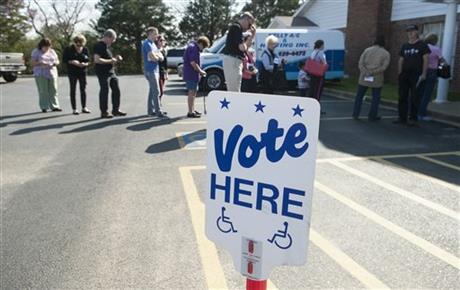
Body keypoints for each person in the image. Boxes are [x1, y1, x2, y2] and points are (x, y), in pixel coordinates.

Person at [394, 24, 430, 126]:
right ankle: (402, 117)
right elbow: (401, 59)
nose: (410, 33)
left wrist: (424, 73)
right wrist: (399, 73)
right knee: (402, 96)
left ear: (417, 32)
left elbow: (426, 59)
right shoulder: (405, 46)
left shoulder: (422, 45)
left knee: (415, 97)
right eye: (408, 31)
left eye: (412, 31)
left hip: (417, 75)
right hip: (404, 75)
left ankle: (413, 118)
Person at [352, 36, 390, 121]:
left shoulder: (367, 50)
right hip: (377, 77)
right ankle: (372, 116)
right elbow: (384, 67)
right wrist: (373, 72)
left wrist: (366, 72)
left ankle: (355, 114)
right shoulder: (386, 53)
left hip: (364, 76)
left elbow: (360, 63)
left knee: (359, 96)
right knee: (375, 98)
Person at [94, 29, 126, 119]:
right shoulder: (99, 45)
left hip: (111, 72)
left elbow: (109, 58)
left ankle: (116, 110)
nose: (113, 42)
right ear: (107, 37)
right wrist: (111, 61)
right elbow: (97, 59)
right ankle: (104, 112)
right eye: (112, 39)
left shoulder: (107, 47)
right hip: (102, 72)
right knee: (104, 90)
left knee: (116, 90)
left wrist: (116, 58)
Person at [221, 12, 256, 92]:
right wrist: (250, 38)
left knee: (236, 88)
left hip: (235, 61)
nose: (248, 28)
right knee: (234, 90)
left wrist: (252, 36)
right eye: (249, 25)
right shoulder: (236, 27)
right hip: (232, 60)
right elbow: (242, 48)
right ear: (246, 20)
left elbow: (245, 47)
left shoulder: (238, 29)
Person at [31, 38, 61, 113]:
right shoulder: (36, 52)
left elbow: (57, 61)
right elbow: (33, 63)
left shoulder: (52, 51)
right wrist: (41, 63)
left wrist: (55, 63)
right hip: (41, 73)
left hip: (52, 73)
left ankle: (55, 106)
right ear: (41, 46)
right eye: (45, 46)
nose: (47, 48)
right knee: (43, 91)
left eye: (48, 46)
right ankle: (44, 106)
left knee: (53, 90)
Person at [63, 34, 91, 115]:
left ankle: (84, 107)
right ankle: (74, 108)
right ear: (74, 42)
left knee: (83, 89)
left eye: (80, 44)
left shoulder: (85, 49)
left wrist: (85, 64)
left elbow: (88, 60)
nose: (78, 45)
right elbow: (64, 60)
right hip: (72, 72)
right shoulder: (68, 49)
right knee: (73, 90)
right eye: (77, 43)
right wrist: (72, 62)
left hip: (82, 72)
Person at [183, 36, 210, 118]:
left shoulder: (193, 47)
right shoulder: (194, 48)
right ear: (201, 43)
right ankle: (190, 112)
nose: (203, 49)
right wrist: (200, 71)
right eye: (204, 46)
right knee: (191, 92)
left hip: (192, 74)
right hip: (191, 74)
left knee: (194, 92)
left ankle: (192, 110)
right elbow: (193, 62)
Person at [418, 33, 443, 121]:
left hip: (422, 71)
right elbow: (442, 60)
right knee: (427, 95)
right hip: (432, 72)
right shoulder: (436, 49)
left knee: (419, 93)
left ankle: (414, 112)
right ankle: (421, 114)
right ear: (435, 40)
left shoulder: (422, 46)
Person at [142, 27, 166, 117]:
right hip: (150, 70)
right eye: (156, 33)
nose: (157, 35)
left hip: (155, 70)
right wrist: (157, 57)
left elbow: (160, 56)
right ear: (151, 33)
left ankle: (150, 110)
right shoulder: (147, 43)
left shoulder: (153, 44)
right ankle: (158, 111)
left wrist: (157, 56)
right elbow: (153, 57)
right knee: (156, 91)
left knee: (152, 91)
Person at [155, 34, 168, 104]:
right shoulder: (154, 50)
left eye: (163, 40)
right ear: (157, 41)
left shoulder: (164, 51)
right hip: (156, 72)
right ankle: (157, 106)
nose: (162, 42)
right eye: (161, 40)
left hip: (162, 72)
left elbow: (165, 63)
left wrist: (166, 73)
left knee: (161, 91)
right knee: (160, 91)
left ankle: (158, 104)